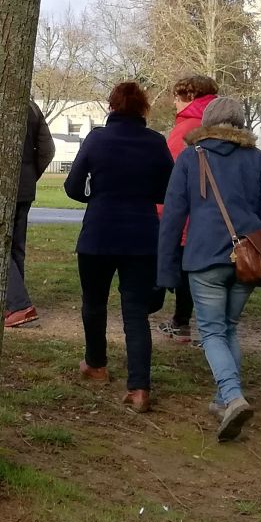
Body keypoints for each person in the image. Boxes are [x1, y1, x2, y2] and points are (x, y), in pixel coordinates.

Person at [159, 95, 261, 442]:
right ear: (240, 123)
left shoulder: (190, 158)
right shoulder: (257, 159)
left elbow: (173, 216)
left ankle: (232, 396)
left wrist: (166, 267)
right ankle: (222, 398)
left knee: (211, 331)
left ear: (206, 123)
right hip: (249, 256)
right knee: (228, 327)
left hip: (204, 255)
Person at [63, 82, 173, 412]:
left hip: (99, 232)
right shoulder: (156, 142)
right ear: (144, 109)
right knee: (136, 313)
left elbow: (71, 186)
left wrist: (95, 197)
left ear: (111, 106)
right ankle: (139, 388)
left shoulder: (97, 138)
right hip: (141, 236)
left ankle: (96, 364)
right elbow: (166, 192)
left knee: (93, 302)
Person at [159, 74, 220, 343]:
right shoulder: (219, 123)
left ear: (190, 97)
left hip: (188, 208)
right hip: (216, 210)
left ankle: (181, 322)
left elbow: (169, 170)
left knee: (186, 266)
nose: (174, 102)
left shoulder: (186, 128)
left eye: (177, 96)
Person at [5, 102, 56, 328]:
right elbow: (47, 149)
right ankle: (13, 303)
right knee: (16, 248)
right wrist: (30, 173)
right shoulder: (32, 107)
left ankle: (19, 305)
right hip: (25, 186)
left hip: (1, 185)